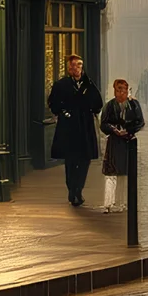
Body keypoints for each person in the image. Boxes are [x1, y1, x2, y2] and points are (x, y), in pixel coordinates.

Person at [48, 55, 101, 207]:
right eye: (72, 66)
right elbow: (53, 103)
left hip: (85, 126)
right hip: (69, 126)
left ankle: (79, 189)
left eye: (78, 66)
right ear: (68, 68)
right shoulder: (61, 85)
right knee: (70, 161)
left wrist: (90, 109)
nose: (75, 69)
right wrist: (63, 111)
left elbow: (98, 103)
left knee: (85, 159)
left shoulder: (88, 84)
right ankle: (72, 189)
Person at [100, 78, 147, 213]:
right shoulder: (109, 106)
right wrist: (114, 130)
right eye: (118, 90)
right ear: (114, 91)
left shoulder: (134, 105)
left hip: (128, 142)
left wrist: (129, 131)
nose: (121, 93)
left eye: (124, 90)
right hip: (114, 143)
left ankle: (124, 202)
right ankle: (108, 203)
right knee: (111, 173)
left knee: (126, 174)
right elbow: (103, 124)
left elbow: (140, 122)